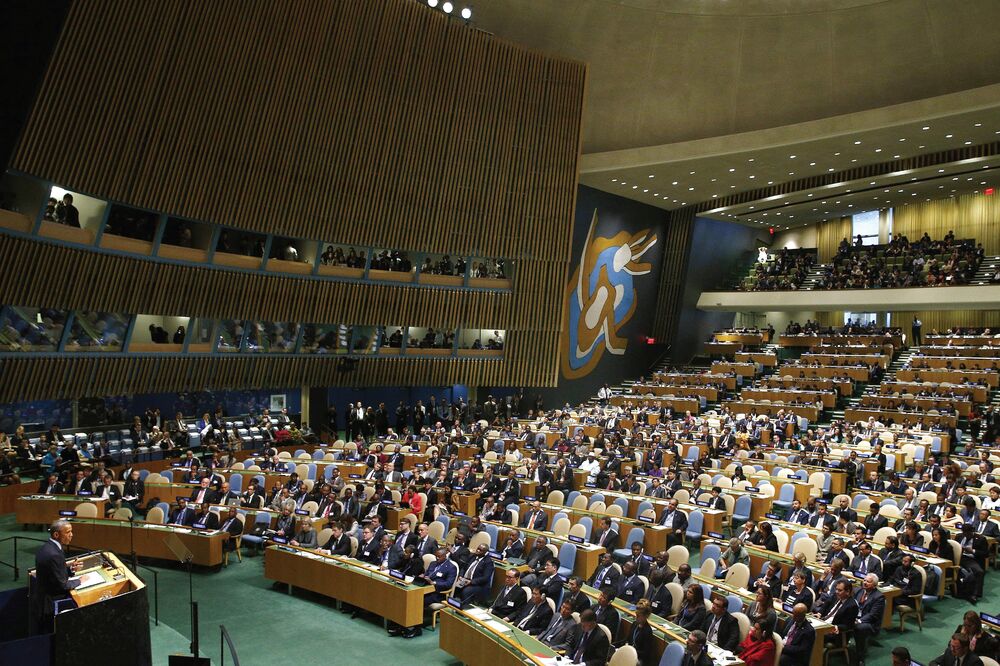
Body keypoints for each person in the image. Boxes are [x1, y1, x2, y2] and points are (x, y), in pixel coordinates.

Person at [31, 520, 81, 633]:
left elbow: (53, 574)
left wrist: (71, 570)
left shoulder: (48, 547)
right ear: (56, 534)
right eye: (68, 532)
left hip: (41, 599)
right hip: (49, 605)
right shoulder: (54, 554)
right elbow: (62, 585)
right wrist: (80, 581)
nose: (71, 535)